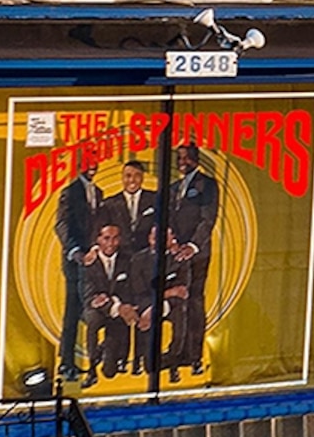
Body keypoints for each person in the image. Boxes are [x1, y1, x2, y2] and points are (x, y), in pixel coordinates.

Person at [161, 143, 222, 380]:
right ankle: (177, 353)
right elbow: (167, 218)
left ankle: (194, 356)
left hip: (198, 255)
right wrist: (173, 244)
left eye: (185, 157)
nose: (181, 162)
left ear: (195, 159)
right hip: (174, 254)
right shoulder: (174, 188)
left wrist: (192, 246)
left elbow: (208, 219)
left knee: (194, 303)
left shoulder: (208, 184)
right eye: (179, 158)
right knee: (178, 303)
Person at [75, 220, 150, 382]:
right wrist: (115, 307)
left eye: (115, 238)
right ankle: (92, 367)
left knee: (110, 373)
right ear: (98, 240)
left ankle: (112, 352)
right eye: (107, 238)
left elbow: (131, 288)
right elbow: (90, 297)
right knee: (92, 319)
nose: (111, 243)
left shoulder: (128, 260)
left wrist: (122, 305)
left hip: (120, 308)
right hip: (97, 310)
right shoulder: (89, 263)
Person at [52, 164, 100, 373]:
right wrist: (76, 252)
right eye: (89, 162)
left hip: (95, 263)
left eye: (95, 162)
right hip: (75, 263)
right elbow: (61, 225)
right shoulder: (70, 192)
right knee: (73, 312)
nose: (93, 166)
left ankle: (90, 360)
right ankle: (67, 363)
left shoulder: (98, 192)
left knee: (90, 310)